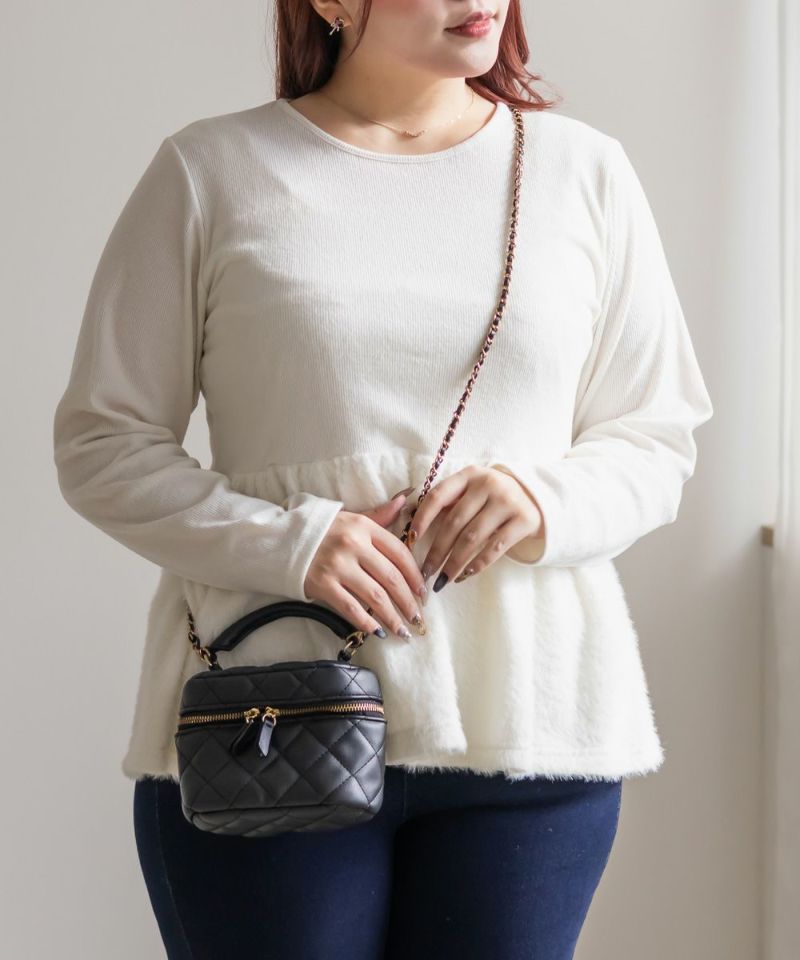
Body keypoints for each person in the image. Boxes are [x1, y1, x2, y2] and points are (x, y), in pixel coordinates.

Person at [52, 1, 714, 958]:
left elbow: (656, 437)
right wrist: (293, 543)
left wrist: (543, 502)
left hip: (531, 733)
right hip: (267, 721)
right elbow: (103, 443)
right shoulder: (211, 171)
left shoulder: (583, 171)